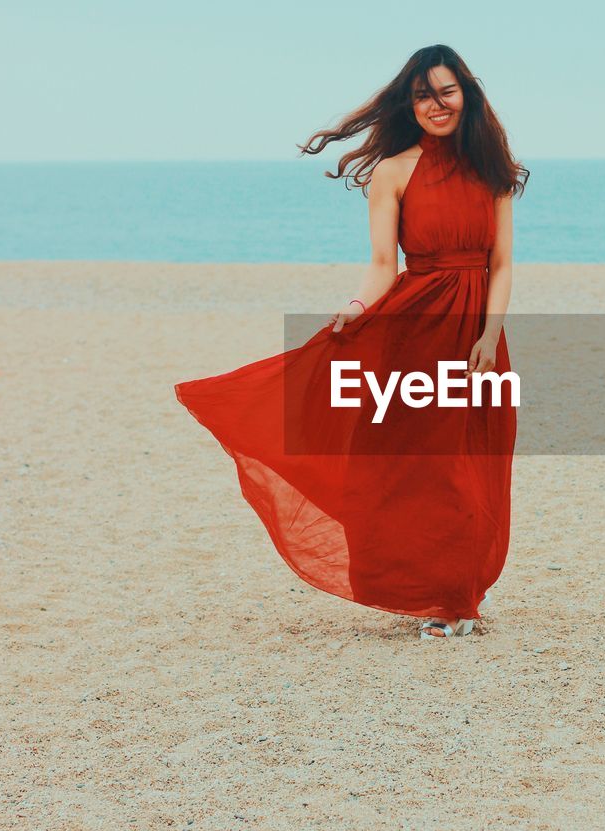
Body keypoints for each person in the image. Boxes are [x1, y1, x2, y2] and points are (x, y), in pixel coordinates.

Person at [174, 44, 528, 641]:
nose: (435, 105)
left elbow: (504, 264)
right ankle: (439, 598)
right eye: (422, 95)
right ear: (408, 105)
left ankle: (459, 590)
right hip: (413, 329)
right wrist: (360, 307)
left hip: (477, 337)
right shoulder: (393, 172)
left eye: (446, 91)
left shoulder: (493, 169)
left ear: (467, 94)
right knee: (419, 468)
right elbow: (383, 265)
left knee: (474, 467)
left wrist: (490, 333)